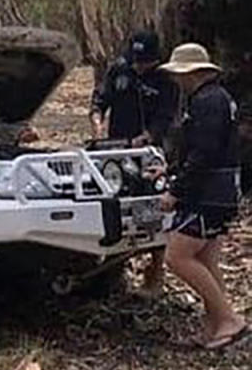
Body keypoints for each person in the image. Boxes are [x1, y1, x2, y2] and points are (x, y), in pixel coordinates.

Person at [159, 43, 245, 350]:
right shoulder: (213, 99)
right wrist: (169, 170)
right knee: (206, 259)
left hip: (210, 194)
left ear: (190, 73)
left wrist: (175, 190)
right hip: (220, 191)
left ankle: (228, 318)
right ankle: (213, 326)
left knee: (177, 256)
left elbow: (203, 153)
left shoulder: (207, 102)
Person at [90, 29, 178, 294]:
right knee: (112, 207)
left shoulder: (167, 79)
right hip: (115, 151)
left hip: (150, 152)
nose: (139, 66)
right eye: (136, 60)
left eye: (145, 62)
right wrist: (97, 121)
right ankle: (112, 271)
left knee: (152, 209)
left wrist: (147, 137)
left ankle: (155, 273)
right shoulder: (119, 70)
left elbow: (166, 116)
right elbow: (100, 99)